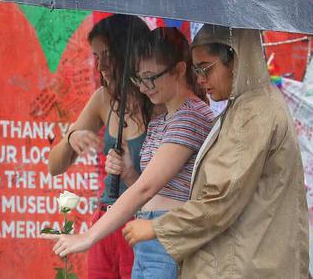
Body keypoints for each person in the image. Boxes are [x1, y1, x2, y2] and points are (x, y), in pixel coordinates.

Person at [122, 25, 310, 278]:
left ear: (235, 60)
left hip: (246, 263)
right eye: (196, 69)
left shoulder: (252, 112)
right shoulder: (248, 106)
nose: (200, 79)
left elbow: (220, 200)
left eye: (206, 68)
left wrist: (158, 227)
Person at [43, 27, 214, 279]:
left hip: (167, 236)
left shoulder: (190, 116)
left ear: (179, 70)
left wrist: (88, 236)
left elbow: (146, 188)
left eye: (151, 78)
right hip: (145, 234)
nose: (144, 88)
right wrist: (129, 172)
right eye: (138, 79)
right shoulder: (162, 117)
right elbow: (149, 188)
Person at [47, 14, 152, 279]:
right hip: (105, 223)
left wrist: (130, 173)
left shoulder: (156, 101)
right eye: (96, 56)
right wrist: (71, 139)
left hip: (142, 226)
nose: (100, 66)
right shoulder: (103, 99)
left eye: (107, 54)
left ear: (128, 51)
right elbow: (54, 166)